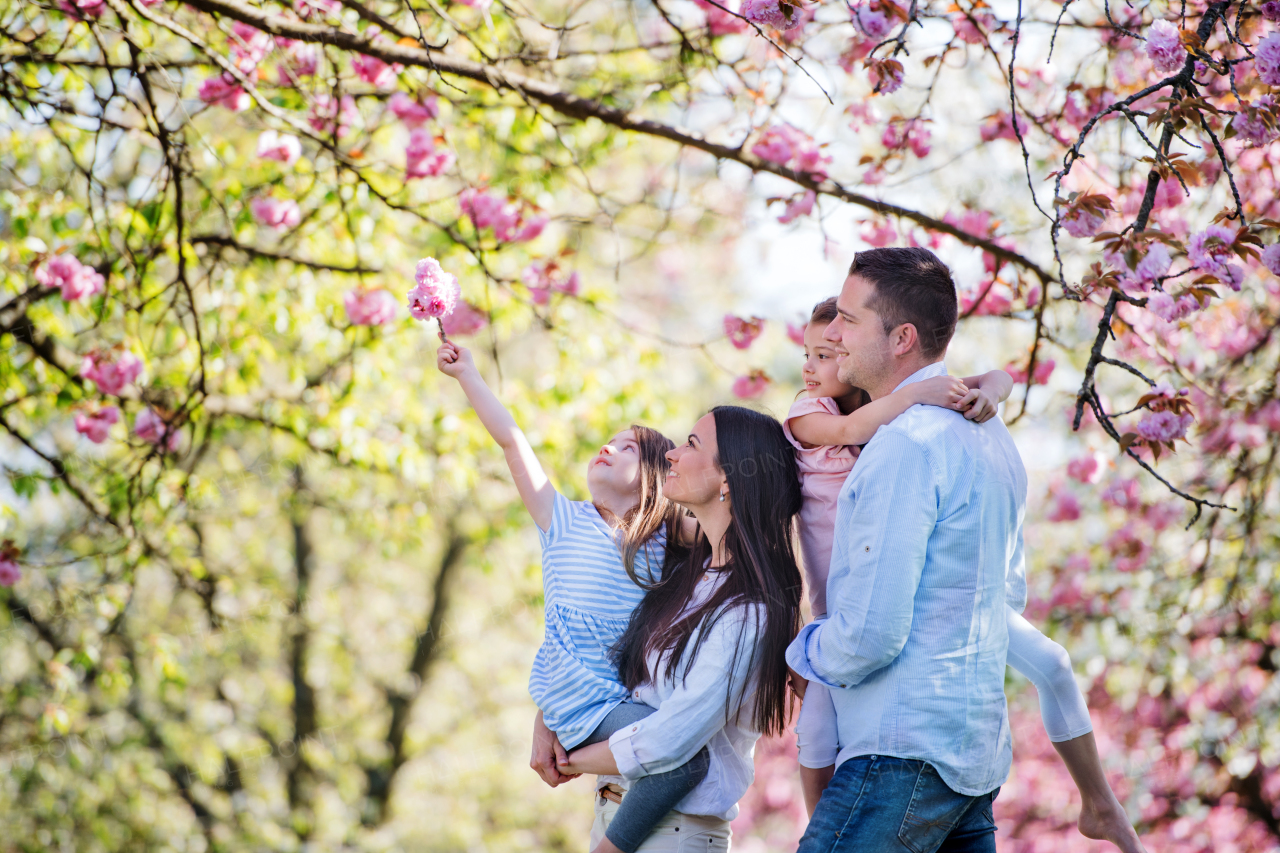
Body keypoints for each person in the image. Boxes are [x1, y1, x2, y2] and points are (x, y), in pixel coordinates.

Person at [783, 247, 1119, 853]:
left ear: (902, 337)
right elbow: (1006, 599)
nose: (833, 333)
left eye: (850, 321)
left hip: (899, 754)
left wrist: (802, 651)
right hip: (972, 762)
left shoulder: (907, 445)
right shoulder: (994, 441)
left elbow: (870, 636)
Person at [436, 340, 710, 853]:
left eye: (628, 448)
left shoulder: (667, 535)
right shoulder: (562, 520)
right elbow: (512, 441)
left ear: (653, 479)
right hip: (578, 698)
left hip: (618, 695)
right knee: (686, 761)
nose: (608, 447)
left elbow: (729, 525)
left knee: (678, 757)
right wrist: (468, 375)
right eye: (609, 441)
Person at [545, 406, 804, 852]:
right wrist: (547, 717)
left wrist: (570, 758)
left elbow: (671, 741)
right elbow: (606, 660)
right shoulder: (685, 576)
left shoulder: (750, 614)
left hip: (672, 834)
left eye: (692, 444)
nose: (671, 455)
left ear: (728, 480)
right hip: (616, 814)